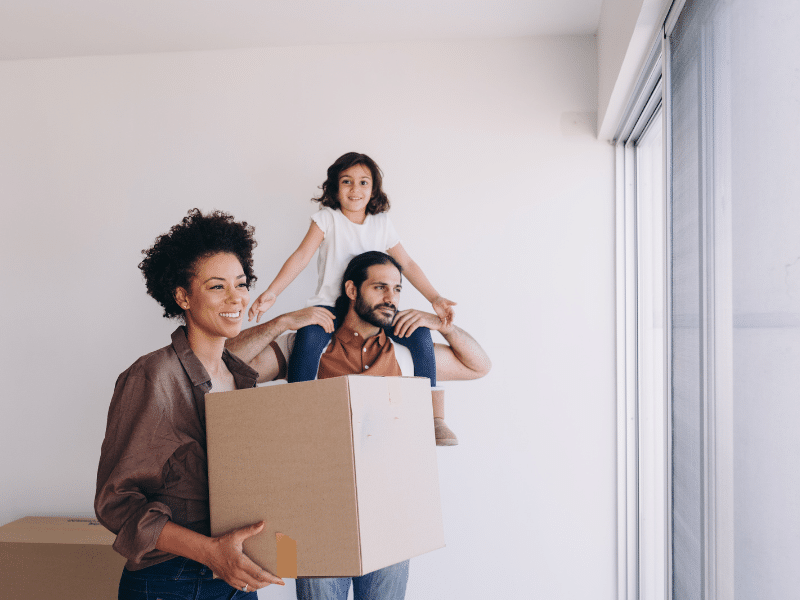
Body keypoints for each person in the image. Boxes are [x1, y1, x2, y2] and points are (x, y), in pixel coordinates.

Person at [94, 209, 335, 600]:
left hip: (234, 575)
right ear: (182, 297)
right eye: (216, 287)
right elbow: (116, 503)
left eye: (241, 284)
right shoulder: (153, 377)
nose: (236, 297)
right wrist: (210, 552)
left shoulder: (239, 377)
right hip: (171, 579)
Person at [226, 251, 491, 600]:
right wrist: (280, 323)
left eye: (397, 289)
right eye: (380, 287)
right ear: (352, 290)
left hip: (393, 512)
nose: (391, 298)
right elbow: (225, 365)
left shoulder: (406, 353)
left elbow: (479, 366)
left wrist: (444, 326)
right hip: (318, 513)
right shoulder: (309, 347)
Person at [247, 152, 460, 445]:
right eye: (346, 182)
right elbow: (301, 257)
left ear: (373, 190)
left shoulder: (382, 224)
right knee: (307, 341)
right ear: (335, 188)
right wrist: (272, 293)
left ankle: (434, 418)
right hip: (331, 308)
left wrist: (435, 298)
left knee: (420, 334)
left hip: (374, 309)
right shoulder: (327, 220)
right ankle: (298, 414)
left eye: (363, 182)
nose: (355, 189)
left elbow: (407, 264)